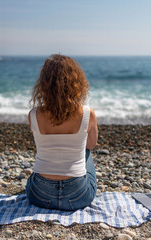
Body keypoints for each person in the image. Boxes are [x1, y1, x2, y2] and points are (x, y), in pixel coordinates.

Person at [25, 54, 98, 211]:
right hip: (78, 196)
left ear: (44, 84)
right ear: (75, 82)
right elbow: (91, 144)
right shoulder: (87, 113)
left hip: (40, 195)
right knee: (86, 151)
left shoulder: (34, 114)